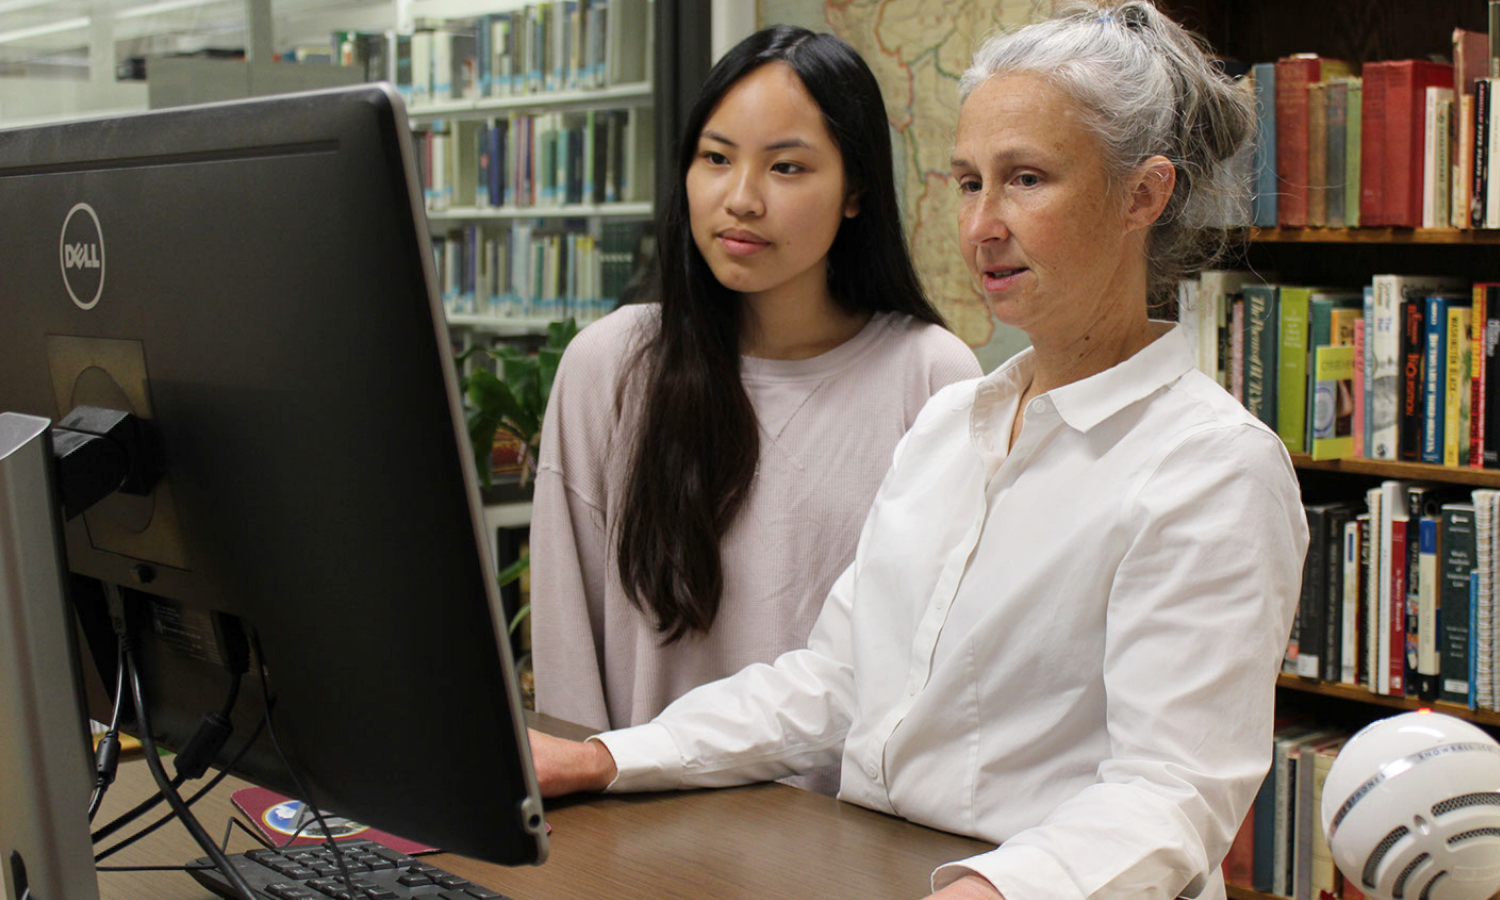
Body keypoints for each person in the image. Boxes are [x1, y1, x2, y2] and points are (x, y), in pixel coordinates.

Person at [530, 2, 1311, 898]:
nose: (982, 223)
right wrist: (605, 758)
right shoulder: (952, 425)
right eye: (969, 181)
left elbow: (1172, 790)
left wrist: (989, 890)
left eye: (1026, 179)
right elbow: (835, 680)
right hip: (873, 871)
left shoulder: (1212, 467)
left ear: (1143, 194)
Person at [530, 25, 982, 738]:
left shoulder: (931, 379)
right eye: (715, 158)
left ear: (856, 190)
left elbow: (938, 665)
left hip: (835, 839)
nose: (740, 198)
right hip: (631, 827)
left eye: (787, 168)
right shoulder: (609, 368)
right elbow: (566, 651)